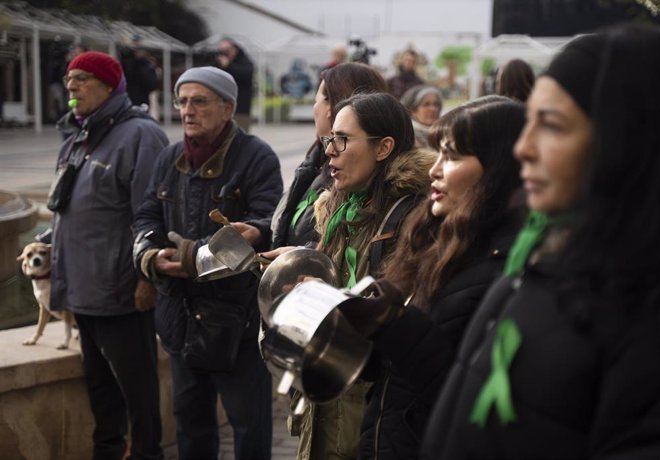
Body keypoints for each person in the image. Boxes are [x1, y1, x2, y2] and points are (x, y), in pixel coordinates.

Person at [421, 23, 660, 459]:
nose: (524, 148)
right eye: (528, 123)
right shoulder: (542, 263)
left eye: (552, 126)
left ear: (629, 143)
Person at [336, 95, 525, 460]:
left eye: (452, 156)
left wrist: (396, 325)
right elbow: (398, 374)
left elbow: (477, 400)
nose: (434, 170)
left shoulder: (509, 268)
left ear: (498, 170)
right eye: (437, 154)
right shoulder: (435, 240)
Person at [132, 66, 282, 460]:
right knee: (191, 426)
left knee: (249, 428)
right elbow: (146, 215)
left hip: (236, 323)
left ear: (228, 107)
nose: (187, 111)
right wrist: (151, 256)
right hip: (179, 319)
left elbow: (267, 224)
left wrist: (191, 256)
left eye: (199, 101)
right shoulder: (168, 157)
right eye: (182, 101)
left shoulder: (257, 157)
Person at [294, 92, 434, 460]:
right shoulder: (341, 206)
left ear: (384, 147)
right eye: (329, 139)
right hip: (330, 395)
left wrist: (327, 297)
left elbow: (395, 317)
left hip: (371, 407)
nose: (329, 151)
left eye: (342, 139)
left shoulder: (413, 219)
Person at [48, 51, 169, 460]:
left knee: (138, 393)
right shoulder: (79, 137)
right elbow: (69, 209)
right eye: (69, 80)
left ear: (109, 85)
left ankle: (148, 453)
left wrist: (146, 278)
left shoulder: (140, 135)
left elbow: (150, 212)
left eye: (82, 79)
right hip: (83, 291)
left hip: (121, 292)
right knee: (101, 392)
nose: (71, 87)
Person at [266, 62, 388, 257]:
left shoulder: (359, 179)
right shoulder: (317, 159)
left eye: (317, 101)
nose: (331, 151)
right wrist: (259, 230)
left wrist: (304, 257)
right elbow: (288, 222)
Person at [215, 38, 254, 131]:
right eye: (221, 50)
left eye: (226, 50)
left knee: (240, 138)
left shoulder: (244, 61)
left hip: (240, 110)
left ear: (234, 50)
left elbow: (246, 74)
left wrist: (228, 66)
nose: (224, 53)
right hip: (221, 109)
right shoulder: (218, 62)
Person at [121, 36, 159, 108]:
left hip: (140, 101)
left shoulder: (145, 65)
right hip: (129, 99)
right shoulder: (127, 61)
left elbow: (151, 84)